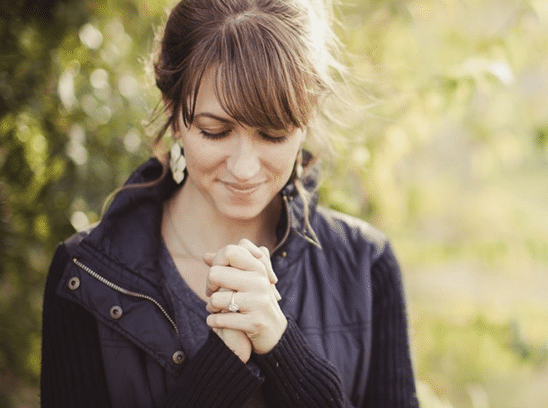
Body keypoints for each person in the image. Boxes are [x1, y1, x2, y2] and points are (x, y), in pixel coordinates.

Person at [40, 0, 419, 406]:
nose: (243, 168)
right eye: (214, 131)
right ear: (172, 108)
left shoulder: (365, 264)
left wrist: (283, 347)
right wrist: (219, 371)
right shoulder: (86, 277)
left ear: (306, 118)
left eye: (272, 135)